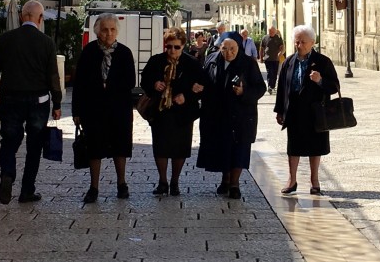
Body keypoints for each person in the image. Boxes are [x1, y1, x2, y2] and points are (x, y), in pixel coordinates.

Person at [0, 0, 62, 205]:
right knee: (34, 145)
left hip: (10, 99)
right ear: (40, 18)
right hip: (38, 101)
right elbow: (53, 76)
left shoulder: (6, 39)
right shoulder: (46, 42)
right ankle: (27, 190)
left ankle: (7, 174)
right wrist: (57, 103)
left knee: (9, 141)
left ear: (21, 17)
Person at [71, 13, 136, 203]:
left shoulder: (124, 52)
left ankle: (121, 184)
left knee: (120, 147)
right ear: (98, 32)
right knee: (94, 148)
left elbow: (130, 81)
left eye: (112, 29)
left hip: (119, 108)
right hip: (94, 109)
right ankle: (93, 187)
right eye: (105, 29)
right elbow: (79, 83)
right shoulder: (89, 52)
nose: (109, 33)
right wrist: (77, 111)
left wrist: (110, 85)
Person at [195, 31, 266, 199]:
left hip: (240, 115)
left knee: (239, 150)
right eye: (224, 48)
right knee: (222, 149)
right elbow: (204, 80)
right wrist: (199, 88)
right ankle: (225, 179)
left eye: (232, 49)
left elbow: (260, 88)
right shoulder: (212, 59)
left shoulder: (248, 63)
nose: (228, 52)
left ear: (238, 48)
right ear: (220, 47)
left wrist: (244, 92)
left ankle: (234, 184)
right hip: (216, 114)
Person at [273, 24, 340, 196]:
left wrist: (320, 81)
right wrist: (280, 110)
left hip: (315, 111)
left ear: (312, 42)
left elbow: (334, 87)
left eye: (303, 42)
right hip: (294, 110)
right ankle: (292, 180)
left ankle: (314, 181)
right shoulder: (289, 61)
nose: (299, 45)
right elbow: (282, 88)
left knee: (315, 147)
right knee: (293, 147)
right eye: (297, 42)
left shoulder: (323, 62)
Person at [139, 27, 205, 196]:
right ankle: (162, 181)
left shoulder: (191, 63)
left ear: (183, 46)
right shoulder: (156, 61)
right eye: (169, 47)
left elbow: (202, 86)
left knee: (180, 148)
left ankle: (175, 182)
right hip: (161, 111)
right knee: (160, 147)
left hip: (183, 113)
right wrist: (154, 84)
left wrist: (187, 96)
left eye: (176, 47)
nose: (172, 51)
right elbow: (144, 80)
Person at [260, 25, 285, 94]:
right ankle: (269, 86)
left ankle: (273, 86)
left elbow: (282, 47)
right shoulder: (265, 38)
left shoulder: (278, 38)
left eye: (272, 31)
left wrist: (280, 53)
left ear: (275, 31)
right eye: (270, 31)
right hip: (267, 59)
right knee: (269, 72)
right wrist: (261, 57)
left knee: (274, 73)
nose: (271, 32)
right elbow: (261, 48)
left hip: (276, 59)